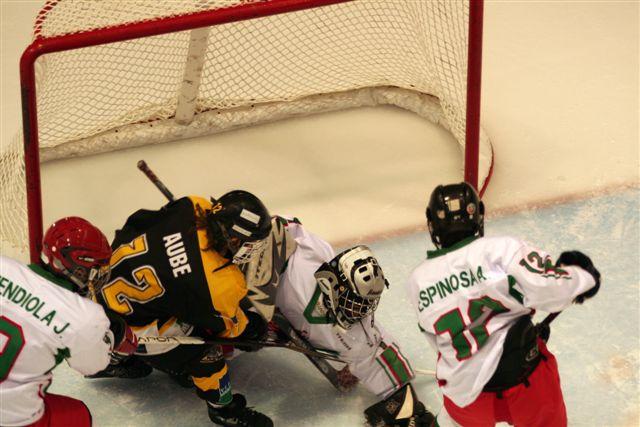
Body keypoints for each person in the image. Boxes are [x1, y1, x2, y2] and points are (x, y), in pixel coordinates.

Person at [406, 182, 601, 427]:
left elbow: (440, 341)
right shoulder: (501, 250)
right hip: (526, 388)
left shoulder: (418, 280)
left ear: (432, 223)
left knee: (450, 417)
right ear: (478, 215)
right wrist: (583, 277)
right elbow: (550, 289)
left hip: (466, 400)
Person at [93, 191, 274, 427]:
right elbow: (229, 330)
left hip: (97, 290)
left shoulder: (191, 204)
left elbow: (137, 221)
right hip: (126, 330)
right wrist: (252, 329)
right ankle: (224, 409)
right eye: (251, 243)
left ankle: (115, 357)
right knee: (206, 349)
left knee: (177, 303)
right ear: (234, 240)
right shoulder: (221, 284)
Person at [242, 216, 435, 427]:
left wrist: (400, 397)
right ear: (336, 288)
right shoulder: (311, 257)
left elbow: (372, 352)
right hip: (241, 285)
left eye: (365, 304)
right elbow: (286, 227)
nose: (360, 312)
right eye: (355, 303)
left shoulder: (356, 334)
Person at [0, 217, 138, 427]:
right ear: (80, 268)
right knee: (79, 416)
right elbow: (93, 366)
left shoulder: (4, 267)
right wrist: (113, 337)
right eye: (98, 266)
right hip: (11, 418)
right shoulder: (84, 318)